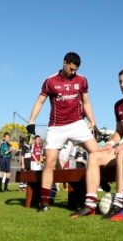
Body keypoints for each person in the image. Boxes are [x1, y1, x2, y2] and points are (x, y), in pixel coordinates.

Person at [72, 67, 123, 220]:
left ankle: (119, 202)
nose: (122, 84)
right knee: (94, 156)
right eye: (120, 82)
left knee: (122, 151)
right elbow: (119, 132)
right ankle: (90, 205)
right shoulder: (118, 105)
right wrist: (110, 143)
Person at [27, 52, 100, 212]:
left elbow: (86, 102)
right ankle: (44, 202)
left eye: (75, 69)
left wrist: (92, 121)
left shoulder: (82, 80)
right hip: (56, 127)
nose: (73, 72)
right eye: (71, 68)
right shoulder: (50, 80)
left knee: (97, 153)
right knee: (50, 163)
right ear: (64, 62)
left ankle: (97, 184)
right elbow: (40, 101)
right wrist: (31, 121)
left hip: (77, 124)